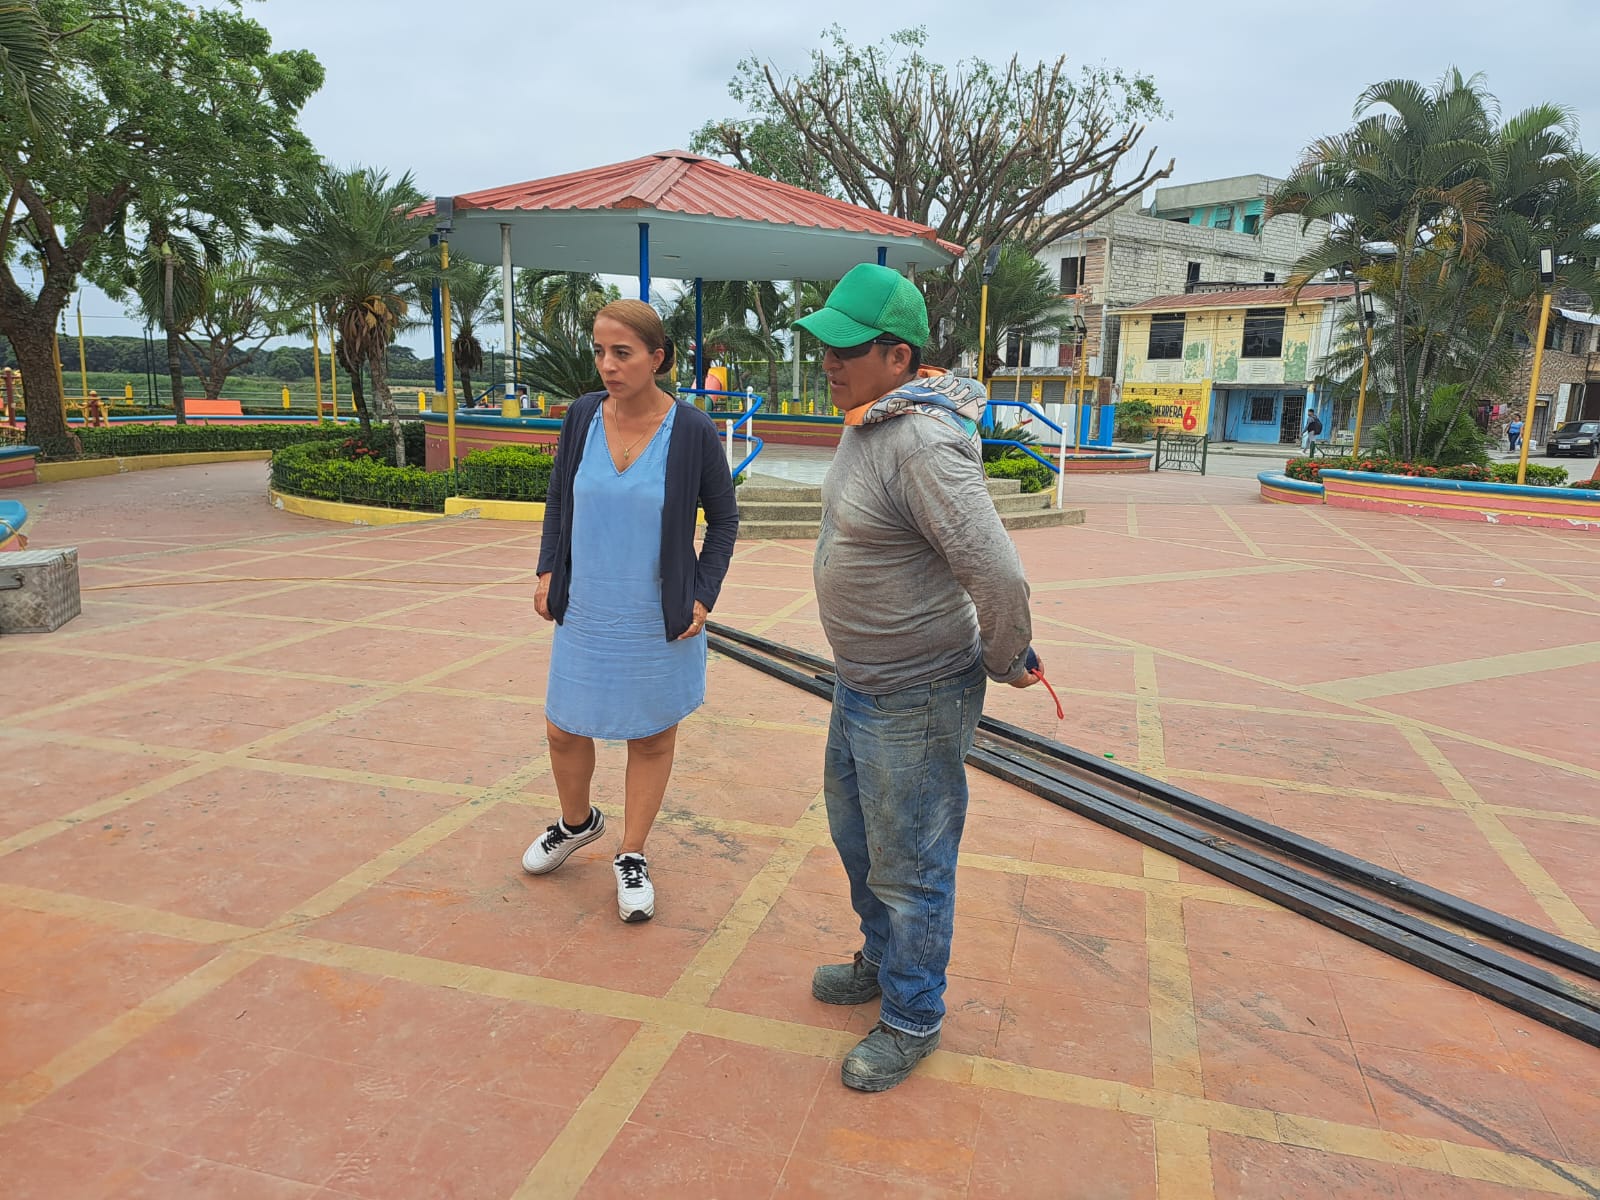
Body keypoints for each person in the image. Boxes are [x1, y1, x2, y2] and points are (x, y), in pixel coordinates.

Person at [792, 263, 1038, 1092]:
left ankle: (911, 1017)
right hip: (861, 681)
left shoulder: (922, 443)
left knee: (912, 866)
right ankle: (882, 959)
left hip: (918, 693)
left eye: (846, 349)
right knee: (861, 842)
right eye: (824, 346)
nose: (828, 361)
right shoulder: (871, 419)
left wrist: (1006, 657)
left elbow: (996, 573)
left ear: (897, 356)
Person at [524, 299, 739, 922]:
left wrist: (702, 594)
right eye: (600, 351)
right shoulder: (582, 416)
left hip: (655, 612)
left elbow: (723, 520)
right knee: (564, 728)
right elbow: (559, 499)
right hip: (586, 605)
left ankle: (632, 853)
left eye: (622, 353)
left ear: (657, 358)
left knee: (649, 737)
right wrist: (547, 569)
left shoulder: (691, 430)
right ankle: (577, 823)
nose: (608, 365)